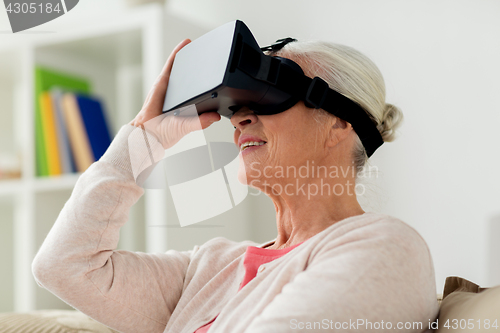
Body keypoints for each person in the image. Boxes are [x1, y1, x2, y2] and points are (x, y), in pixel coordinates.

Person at [32, 38, 440, 333]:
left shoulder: (384, 246)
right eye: (237, 104)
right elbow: (64, 267)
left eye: (270, 92)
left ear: (338, 121)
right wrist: (144, 139)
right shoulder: (210, 267)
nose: (239, 119)